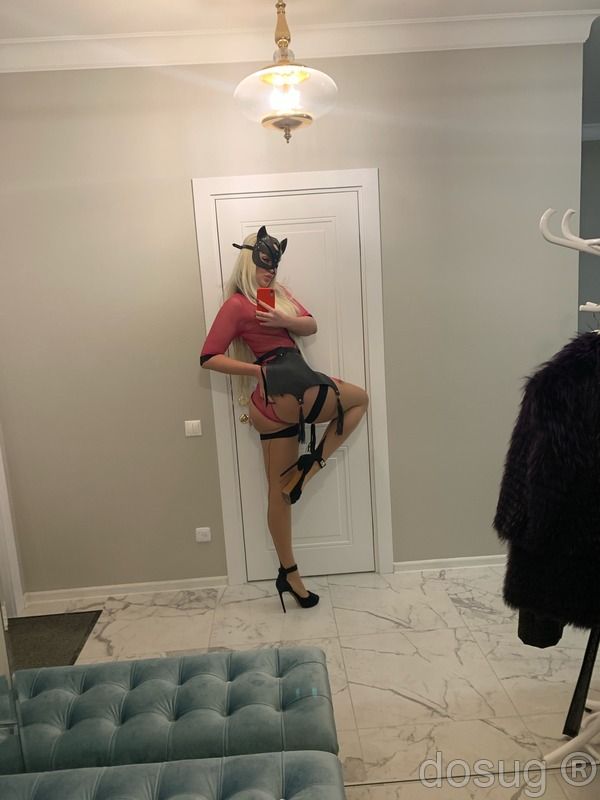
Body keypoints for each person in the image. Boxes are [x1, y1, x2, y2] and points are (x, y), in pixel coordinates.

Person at [200, 226, 368, 612]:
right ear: (249, 260)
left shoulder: (278, 297)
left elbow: (311, 324)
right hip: (284, 385)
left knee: (278, 492)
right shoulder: (237, 304)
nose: (270, 270)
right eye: (264, 263)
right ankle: (309, 470)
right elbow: (208, 357)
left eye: (275, 264)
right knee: (359, 400)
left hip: (271, 403)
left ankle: (289, 575)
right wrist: (257, 371)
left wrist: (282, 320)